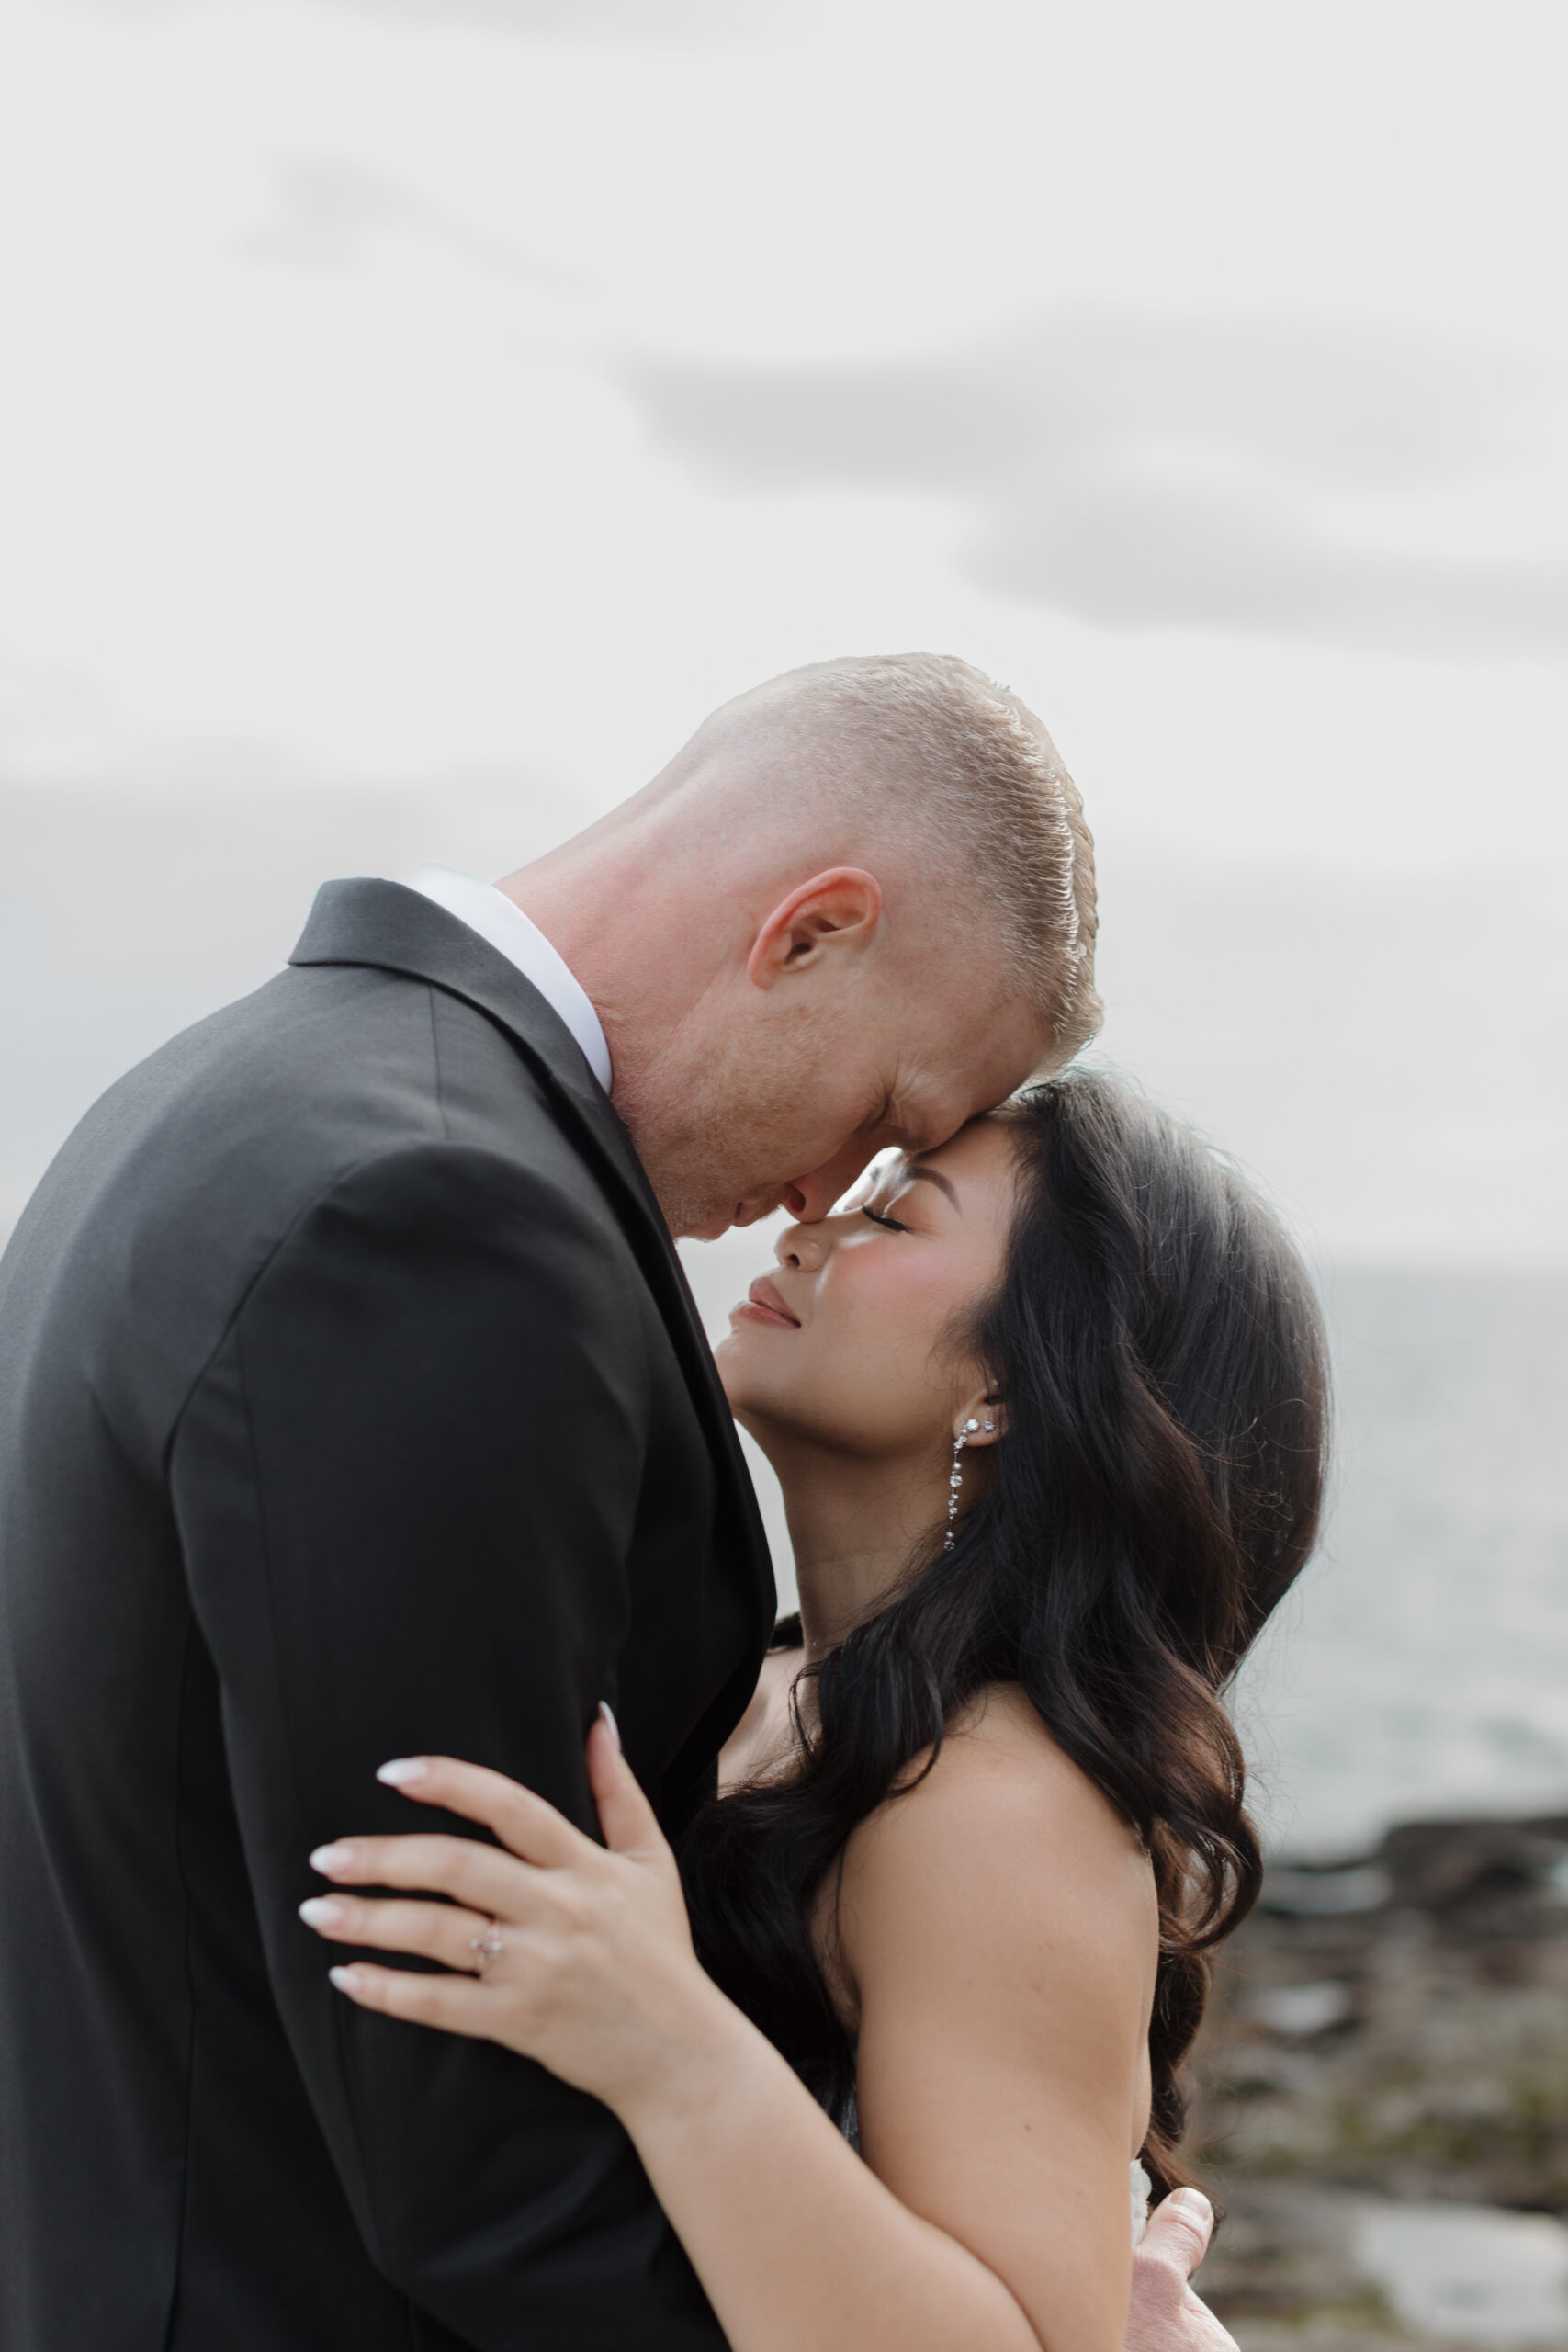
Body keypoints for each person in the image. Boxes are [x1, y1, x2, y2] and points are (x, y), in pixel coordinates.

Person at [1, 651, 1153, 2352]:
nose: (824, 1196)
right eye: (889, 1119)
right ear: (809, 932)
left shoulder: (218, 1093)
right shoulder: (444, 1212)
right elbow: (477, 2161)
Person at [298, 1071, 1329, 2352]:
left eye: (897, 1221)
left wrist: (664, 2043)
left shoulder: (994, 1801)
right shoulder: (783, 1684)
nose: (807, 1229)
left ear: (1013, 1386)